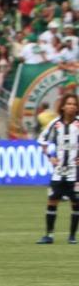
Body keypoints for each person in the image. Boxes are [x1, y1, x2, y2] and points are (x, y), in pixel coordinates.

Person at [37, 93, 79, 245]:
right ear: (62, 106)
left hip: (75, 173)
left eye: (74, 104)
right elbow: (42, 141)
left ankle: (72, 236)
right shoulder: (55, 125)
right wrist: (50, 156)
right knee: (52, 200)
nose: (71, 106)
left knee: (76, 202)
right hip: (59, 172)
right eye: (69, 103)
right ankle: (49, 235)